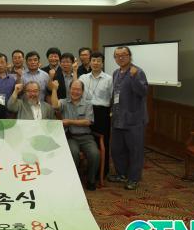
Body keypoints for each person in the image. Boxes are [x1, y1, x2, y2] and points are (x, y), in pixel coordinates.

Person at [108, 46, 148, 190]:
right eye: (117, 55)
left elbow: (143, 92)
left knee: (135, 151)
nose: (121, 57)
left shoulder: (137, 72)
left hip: (133, 120)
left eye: (124, 54)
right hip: (118, 118)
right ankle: (122, 174)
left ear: (130, 56)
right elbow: (115, 94)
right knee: (117, 149)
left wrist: (133, 77)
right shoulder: (115, 73)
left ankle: (134, 179)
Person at [51, 79, 99, 191]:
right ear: (69, 90)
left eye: (78, 89)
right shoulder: (64, 102)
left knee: (95, 154)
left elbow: (87, 122)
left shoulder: (87, 104)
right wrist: (54, 89)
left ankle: (91, 180)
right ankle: (74, 180)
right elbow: (55, 106)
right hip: (71, 137)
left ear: (82, 91)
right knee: (73, 153)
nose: (75, 92)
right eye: (73, 89)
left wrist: (69, 121)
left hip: (86, 137)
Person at [78, 51, 113, 177]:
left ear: (102, 63)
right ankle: (88, 168)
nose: (96, 63)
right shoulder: (83, 78)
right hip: (86, 111)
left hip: (102, 113)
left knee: (103, 141)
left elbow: (112, 97)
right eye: (93, 60)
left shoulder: (109, 79)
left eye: (99, 61)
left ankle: (102, 171)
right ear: (90, 62)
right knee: (87, 139)